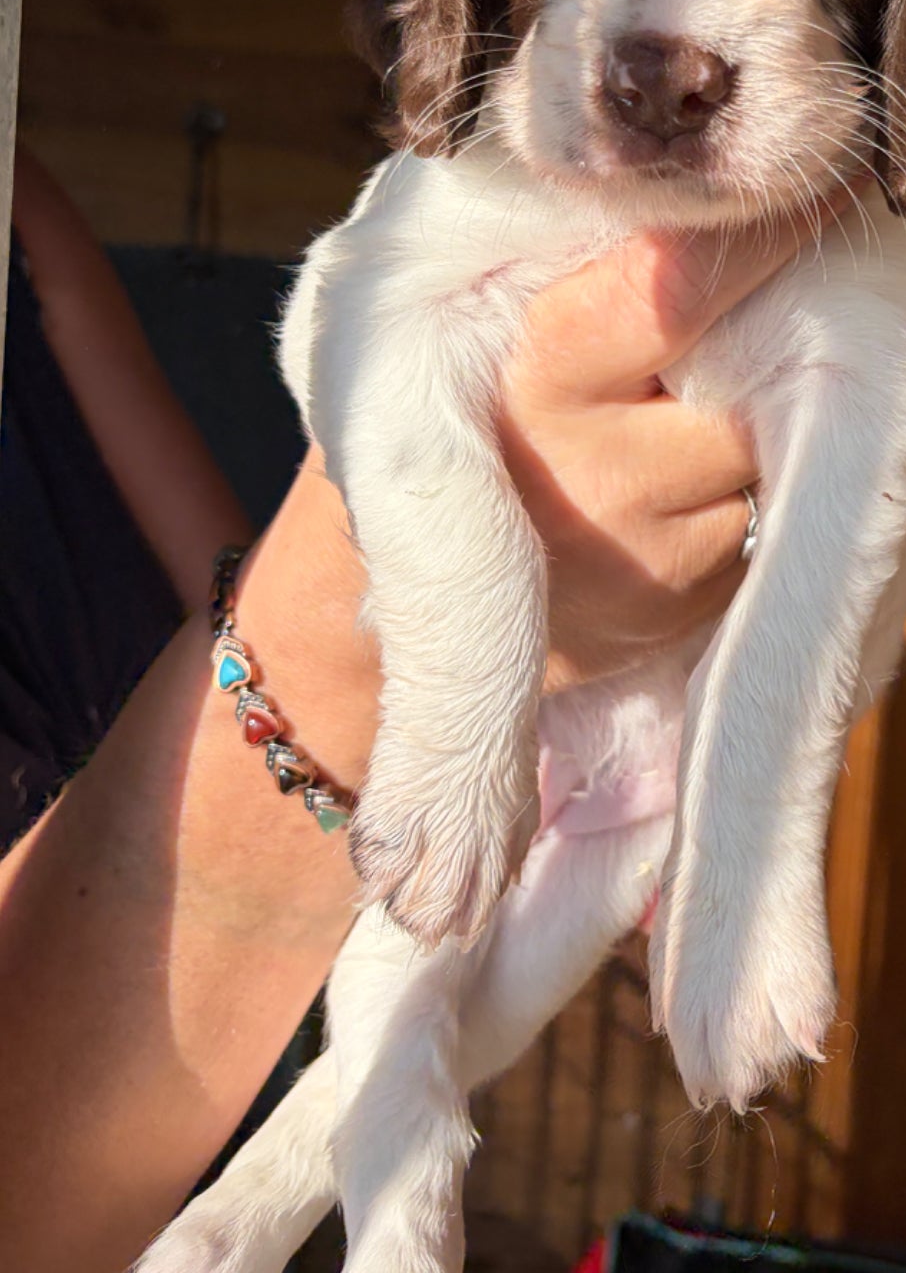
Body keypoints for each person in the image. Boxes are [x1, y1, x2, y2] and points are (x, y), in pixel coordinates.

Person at [0, 146, 822, 1273]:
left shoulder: (38, 238)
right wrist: (356, 635)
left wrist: (332, 598)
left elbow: (230, 562)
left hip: (328, 844)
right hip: (197, 979)